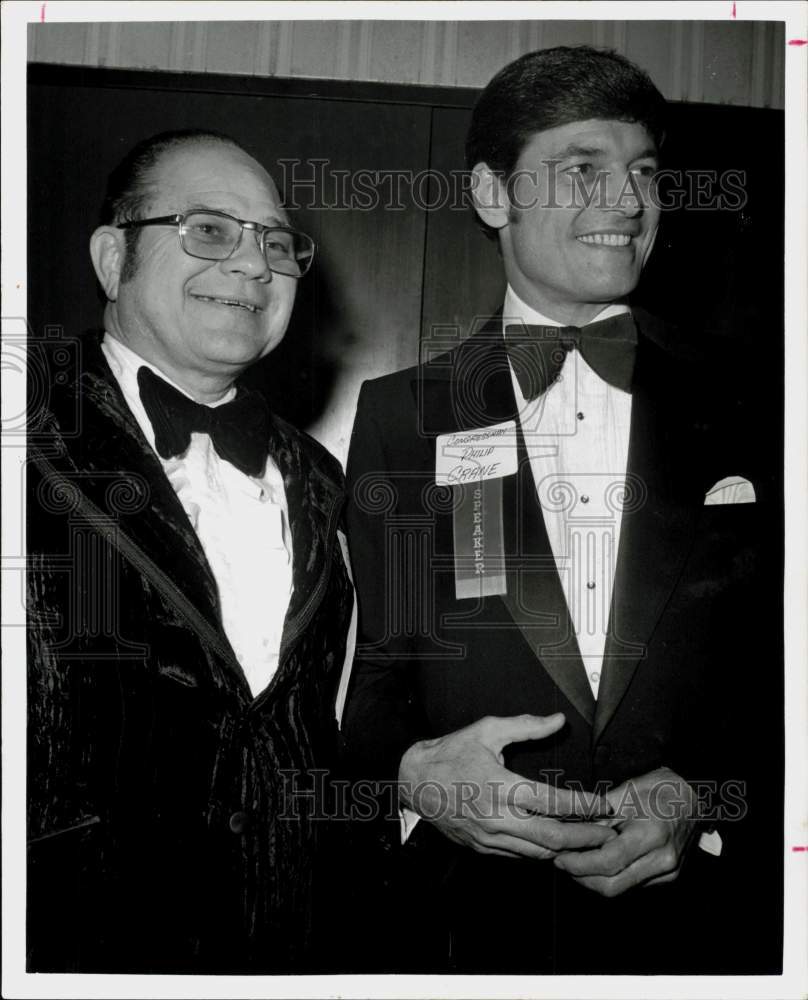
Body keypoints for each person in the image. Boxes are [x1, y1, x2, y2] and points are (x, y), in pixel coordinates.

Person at [342, 47, 781, 974]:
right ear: (493, 196)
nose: (627, 202)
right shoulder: (402, 415)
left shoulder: (761, 405)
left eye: (644, 174)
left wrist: (708, 795)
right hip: (468, 926)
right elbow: (379, 675)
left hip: (705, 929)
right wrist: (414, 776)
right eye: (583, 168)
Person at [26, 130, 354, 973]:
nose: (254, 266)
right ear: (113, 258)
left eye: (276, 242)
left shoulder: (319, 476)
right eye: (210, 230)